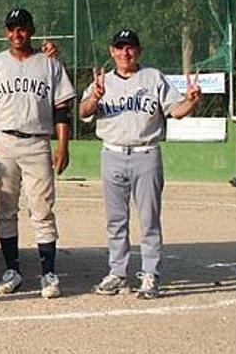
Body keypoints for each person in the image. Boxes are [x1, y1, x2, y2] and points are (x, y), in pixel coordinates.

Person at [80, 29, 201, 299]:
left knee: (149, 220)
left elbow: (176, 110)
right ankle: (117, 272)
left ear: (139, 51)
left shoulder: (153, 77)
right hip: (111, 153)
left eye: (130, 47)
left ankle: (150, 274)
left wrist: (191, 101)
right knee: (115, 220)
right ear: (112, 51)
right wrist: (94, 97)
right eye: (120, 47)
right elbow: (83, 112)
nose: (125, 53)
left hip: (146, 154)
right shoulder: (103, 81)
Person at [0, 7, 76, 299]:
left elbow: (62, 109)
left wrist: (63, 144)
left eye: (22, 28)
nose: (17, 34)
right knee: (5, 208)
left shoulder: (49, 64)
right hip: (3, 141)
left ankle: (48, 272)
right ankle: (12, 270)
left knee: (42, 208)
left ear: (31, 30)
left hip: (37, 142)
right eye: (12, 29)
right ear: (6, 32)